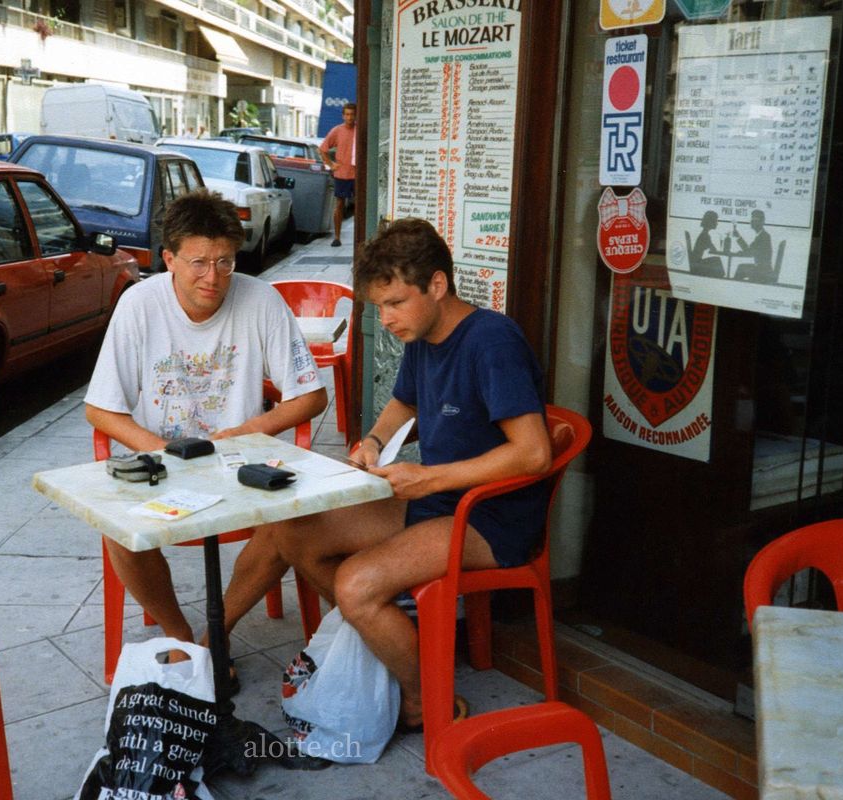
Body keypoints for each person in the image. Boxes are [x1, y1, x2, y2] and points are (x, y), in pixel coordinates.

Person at [269, 218, 552, 729]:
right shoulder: (424, 334)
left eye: (396, 302)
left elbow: (533, 454)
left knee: (356, 585)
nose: (387, 317)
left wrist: (430, 479)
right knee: (296, 533)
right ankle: (383, 635)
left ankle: (426, 699)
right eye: (379, 306)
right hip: (441, 500)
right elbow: (404, 401)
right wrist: (373, 443)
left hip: (491, 518)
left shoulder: (491, 342)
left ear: (437, 285)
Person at [83, 189, 327, 650]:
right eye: (198, 262)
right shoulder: (139, 303)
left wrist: (243, 433)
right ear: (169, 259)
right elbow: (100, 407)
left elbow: (311, 396)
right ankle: (180, 636)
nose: (212, 277)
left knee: (291, 525)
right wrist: (160, 449)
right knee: (118, 531)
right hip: (162, 463)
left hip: (240, 463)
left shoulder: (261, 300)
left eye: (225, 262)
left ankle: (217, 635)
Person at [319, 102, 356, 247]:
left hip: (357, 174)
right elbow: (322, 149)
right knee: (340, 205)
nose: (349, 117)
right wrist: (331, 164)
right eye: (347, 114)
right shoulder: (337, 130)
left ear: (356, 116)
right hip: (342, 174)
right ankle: (337, 237)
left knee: (360, 207)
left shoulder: (359, 130)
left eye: (352, 114)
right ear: (343, 115)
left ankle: (360, 236)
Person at [733, 210, 775, 283]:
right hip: (762, 269)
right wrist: (738, 237)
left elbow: (749, 252)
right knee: (741, 267)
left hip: (763, 272)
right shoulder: (760, 236)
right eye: (752, 219)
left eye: (755, 220)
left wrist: (739, 238)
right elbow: (749, 250)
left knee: (741, 268)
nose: (752, 222)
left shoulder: (764, 236)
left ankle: (733, 287)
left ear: (762, 222)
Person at [689, 211, 725, 278]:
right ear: (710, 221)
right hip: (696, 266)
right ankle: (720, 279)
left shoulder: (704, 234)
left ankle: (720, 277)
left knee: (716, 260)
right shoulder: (705, 236)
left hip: (695, 263)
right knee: (717, 261)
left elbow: (713, 249)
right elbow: (714, 250)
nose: (717, 223)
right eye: (716, 221)